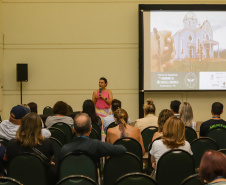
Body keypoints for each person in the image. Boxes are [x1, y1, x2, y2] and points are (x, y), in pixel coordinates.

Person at [6, 113, 56, 185]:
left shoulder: (11, 144)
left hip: (17, 181)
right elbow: (50, 159)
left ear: (22, 125)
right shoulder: (47, 143)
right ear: (39, 127)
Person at [59, 113, 126, 162]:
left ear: (73, 129)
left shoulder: (64, 149)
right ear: (91, 128)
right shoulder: (96, 145)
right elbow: (122, 150)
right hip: (91, 180)